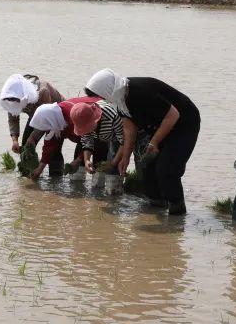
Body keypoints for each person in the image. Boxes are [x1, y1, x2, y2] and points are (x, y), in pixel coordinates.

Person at [85, 69, 201, 215]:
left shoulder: (138, 92)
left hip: (183, 125)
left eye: (101, 96)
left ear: (108, 89)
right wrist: (125, 157)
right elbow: (129, 127)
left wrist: (154, 142)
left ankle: (177, 213)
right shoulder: (119, 98)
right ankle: (157, 204)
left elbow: (173, 115)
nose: (102, 101)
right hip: (159, 125)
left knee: (166, 169)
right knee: (146, 167)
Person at [23, 97, 101, 180]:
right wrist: (40, 168)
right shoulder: (54, 119)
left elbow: (90, 139)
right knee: (76, 174)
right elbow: (49, 145)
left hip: (99, 123)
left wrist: (79, 160)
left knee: (98, 157)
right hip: (86, 137)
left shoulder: (74, 117)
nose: (47, 130)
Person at [77, 98, 125, 193]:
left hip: (118, 134)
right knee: (98, 165)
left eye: (88, 127)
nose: (87, 130)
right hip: (102, 135)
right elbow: (87, 141)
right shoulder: (83, 119)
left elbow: (124, 142)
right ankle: (97, 193)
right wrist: (86, 160)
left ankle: (114, 193)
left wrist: (113, 163)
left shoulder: (112, 116)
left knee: (113, 167)